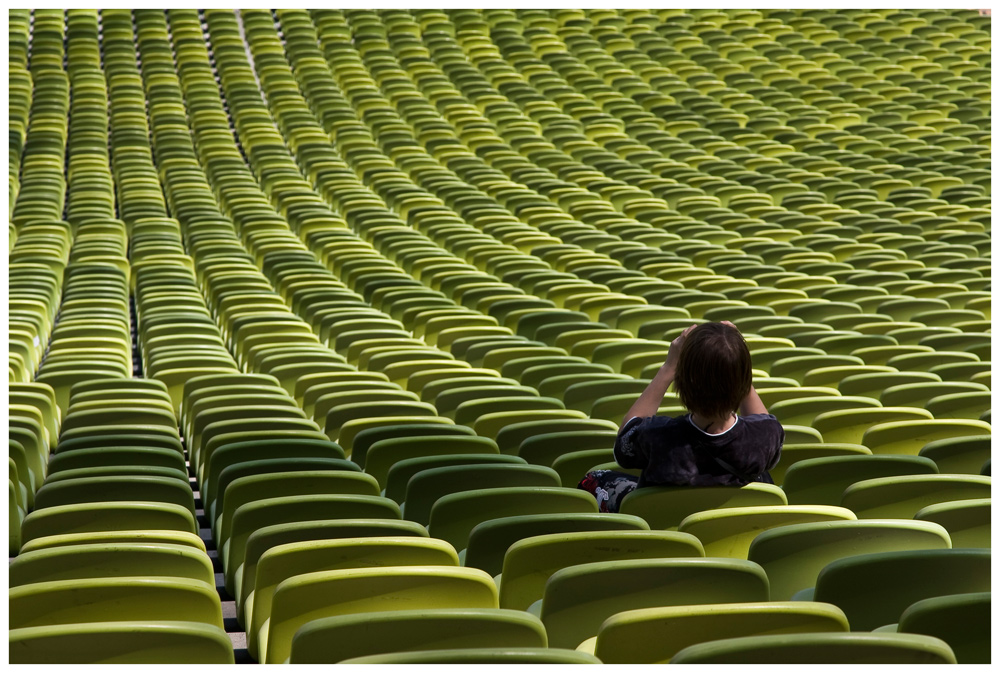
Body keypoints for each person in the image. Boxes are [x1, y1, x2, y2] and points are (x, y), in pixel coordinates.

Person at [578, 321, 784, 513]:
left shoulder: (657, 436)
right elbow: (762, 421)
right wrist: (734, 364)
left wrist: (669, 367)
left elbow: (623, 443)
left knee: (594, 479)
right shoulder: (766, 436)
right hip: (734, 529)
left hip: (662, 528)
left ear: (682, 380)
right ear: (744, 378)